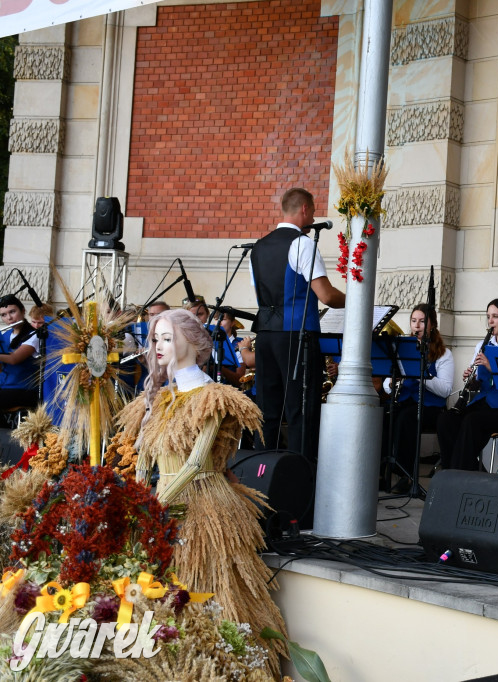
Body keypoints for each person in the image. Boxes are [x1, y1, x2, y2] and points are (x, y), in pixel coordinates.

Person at [111, 309, 286, 676]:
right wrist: (139, 500)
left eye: (166, 338)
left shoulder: (213, 396)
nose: (157, 346)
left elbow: (194, 464)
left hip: (202, 502)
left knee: (207, 588)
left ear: (190, 342)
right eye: (155, 338)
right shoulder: (158, 397)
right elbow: (144, 458)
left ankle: (224, 668)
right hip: (160, 503)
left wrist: (153, 505)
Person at [250, 187, 346, 462]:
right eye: (313, 211)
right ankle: (299, 479)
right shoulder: (303, 244)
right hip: (296, 337)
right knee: (301, 410)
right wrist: (355, 301)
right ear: (305, 209)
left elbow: (261, 293)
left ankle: (262, 477)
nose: (313, 215)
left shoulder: (258, 247)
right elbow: (326, 295)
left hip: (265, 335)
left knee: (267, 410)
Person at [436, 298, 498, 471]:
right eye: (488, 317)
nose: (491, 321)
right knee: (447, 420)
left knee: (472, 421)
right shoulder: (483, 345)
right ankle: (450, 471)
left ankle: (462, 474)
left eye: (495, 316)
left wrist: (490, 366)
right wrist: (471, 378)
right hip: (485, 403)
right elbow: (478, 380)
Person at [379, 304, 454, 492]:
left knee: (407, 419)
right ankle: (380, 473)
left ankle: (405, 476)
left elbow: (445, 390)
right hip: (404, 400)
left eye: (422, 321)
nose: (417, 326)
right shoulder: (402, 348)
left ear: (432, 325)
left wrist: (420, 376)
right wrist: (393, 383)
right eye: (414, 321)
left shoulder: (444, 354)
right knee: (384, 415)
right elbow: (388, 384)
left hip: (431, 407)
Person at [0, 295, 41, 410]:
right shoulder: (4, 335)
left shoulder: (34, 335)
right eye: (3, 315)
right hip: (4, 386)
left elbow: (14, 359)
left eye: (12, 312)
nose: (9, 318)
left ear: (23, 311)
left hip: (24, 389)